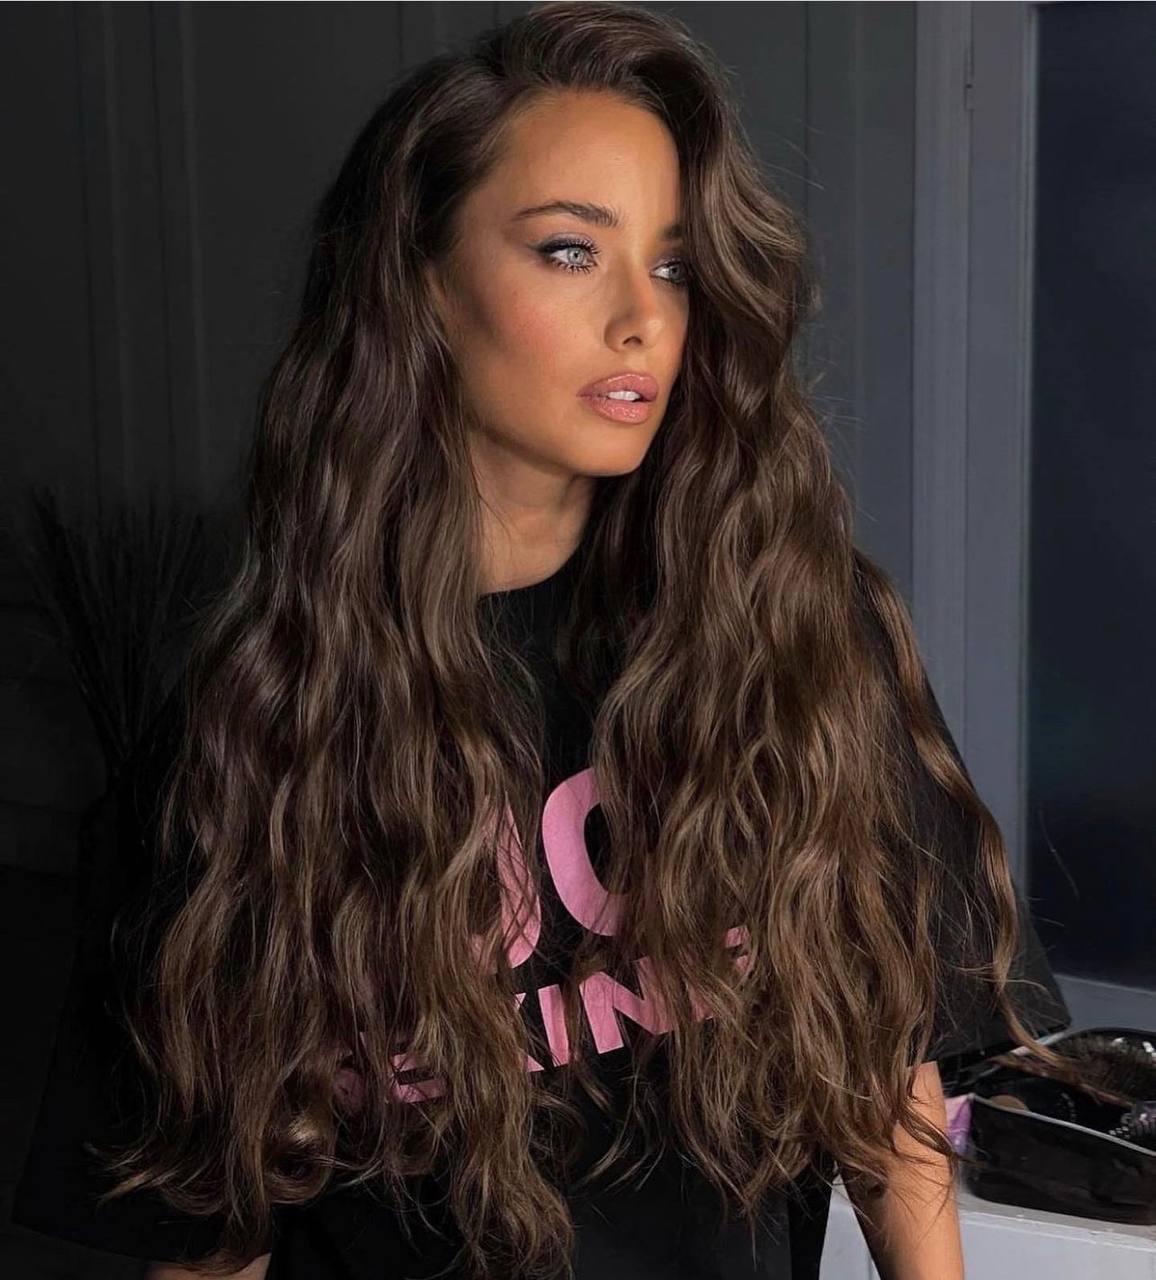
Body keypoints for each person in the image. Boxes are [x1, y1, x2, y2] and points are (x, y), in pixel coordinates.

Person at [11, 4, 1073, 1279]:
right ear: (420, 281)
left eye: (672, 266)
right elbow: (210, 1224)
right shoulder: (249, 727)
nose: (642, 319)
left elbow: (883, 1061)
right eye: (571, 250)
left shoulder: (789, 634)